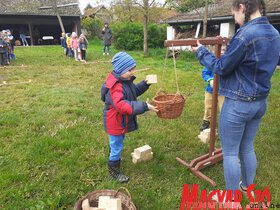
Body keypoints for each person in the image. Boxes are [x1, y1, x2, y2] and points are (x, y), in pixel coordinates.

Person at [192, 0, 280, 200]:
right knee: (247, 146)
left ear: (242, 7)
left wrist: (201, 52)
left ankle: (231, 200)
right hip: (260, 103)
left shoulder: (245, 35)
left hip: (239, 104)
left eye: (234, 15)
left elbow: (222, 67)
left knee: (230, 153)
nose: (236, 20)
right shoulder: (275, 33)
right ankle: (247, 188)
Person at [101, 52, 158, 183]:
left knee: (116, 143)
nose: (132, 72)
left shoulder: (125, 80)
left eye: (133, 68)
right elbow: (121, 105)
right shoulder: (116, 87)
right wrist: (144, 106)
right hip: (115, 123)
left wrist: (145, 83)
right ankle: (114, 172)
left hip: (119, 121)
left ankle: (113, 155)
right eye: (129, 70)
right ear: (120, 70)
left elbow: (134, 92)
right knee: (117, 146)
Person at [200, 66, 225, 131]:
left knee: (224, 108)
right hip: (210, 91)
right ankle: (206, 121)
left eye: (223, 54)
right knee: (208, 107)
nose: (221, 54)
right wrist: (210, 79)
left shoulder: (228, 62)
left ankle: (224, 123)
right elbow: (205, 73)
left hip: (224, 92)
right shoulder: (211, 62)